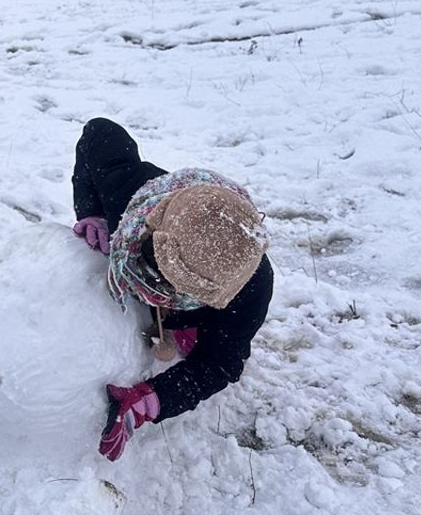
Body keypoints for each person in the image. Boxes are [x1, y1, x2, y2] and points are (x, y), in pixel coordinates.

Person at [70, 117, 273, 462]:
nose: (159, 291)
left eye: (179, 293)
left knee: (211, 340)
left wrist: (153, 399)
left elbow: (219, 363)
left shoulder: (249, 288)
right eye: (155, 278)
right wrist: (94, 214)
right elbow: (98, 132)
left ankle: (188, 324)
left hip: (209, 316)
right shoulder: (132, 199)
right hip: (139, 226)